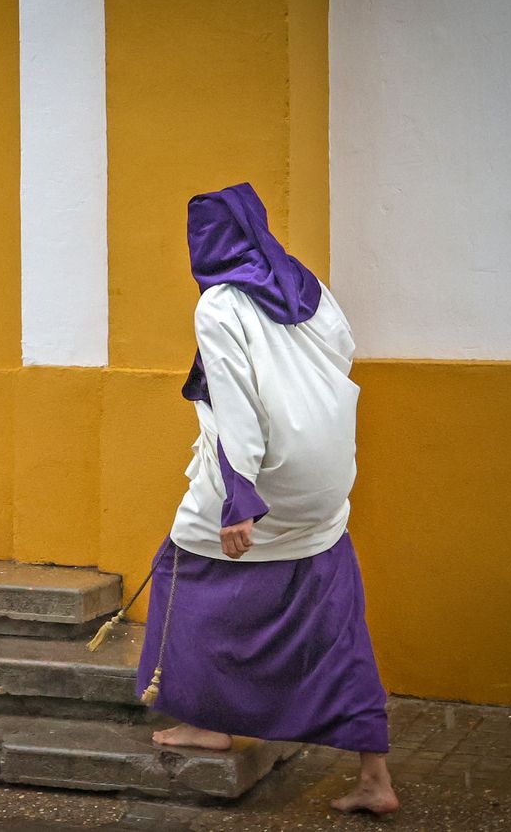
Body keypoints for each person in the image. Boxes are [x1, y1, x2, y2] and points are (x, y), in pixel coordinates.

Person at [137, 182, 398, 815]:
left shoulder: (219, 305)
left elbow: (235, 406)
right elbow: (343, 350)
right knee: (333, 620)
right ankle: (376, 780)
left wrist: (241, 498)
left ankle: (208, 719)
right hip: (329, 470)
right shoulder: (304, 283)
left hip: (265, 469)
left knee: (181, 570)